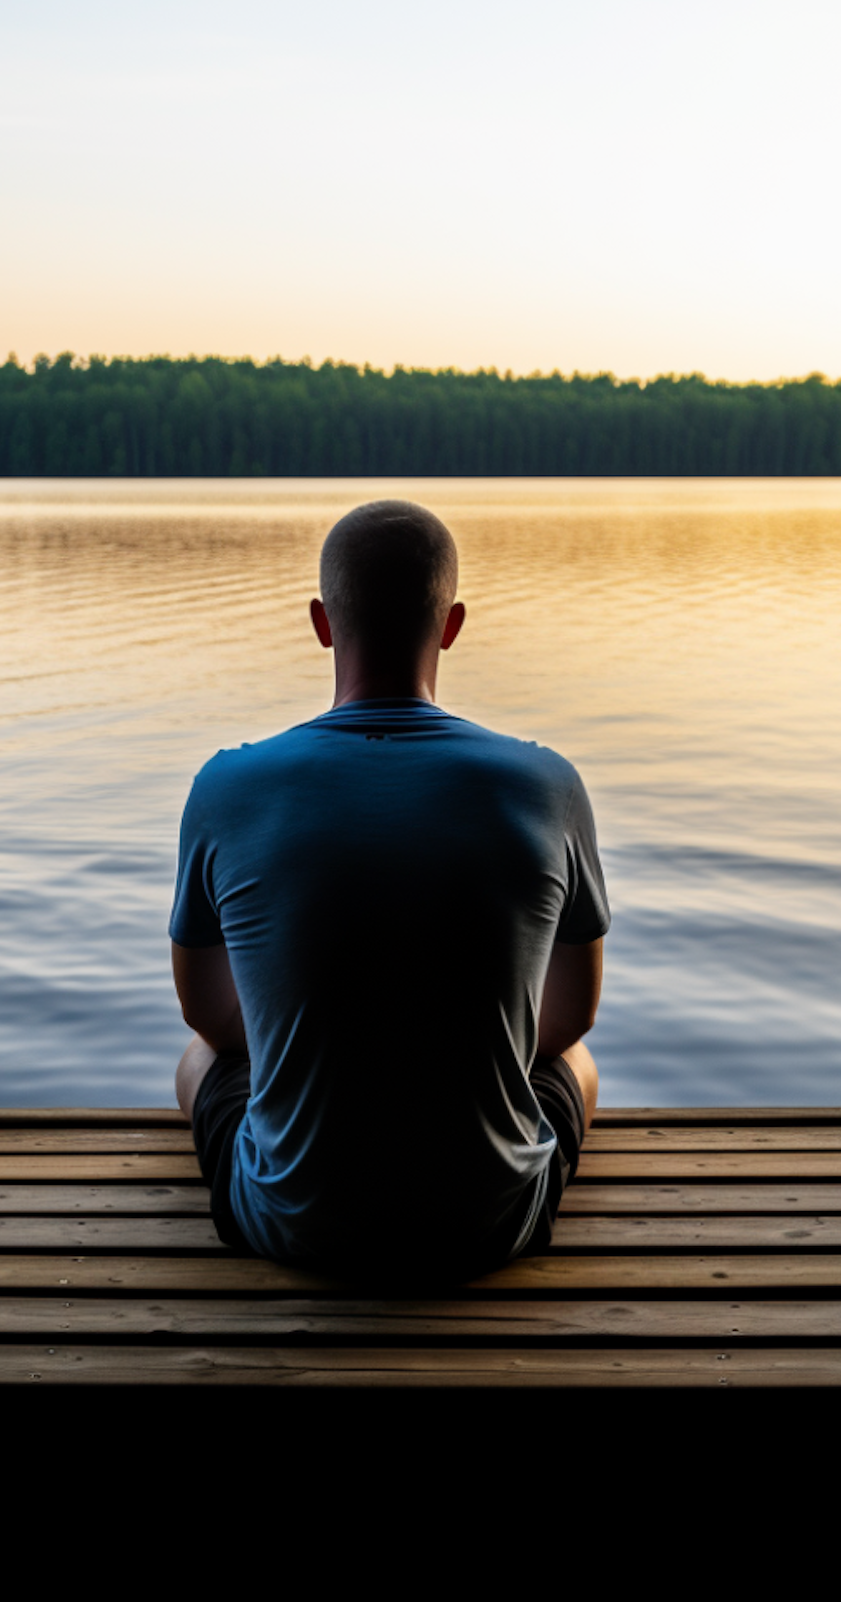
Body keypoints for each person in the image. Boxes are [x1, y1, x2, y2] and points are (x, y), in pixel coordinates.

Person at [168, 498, 607, 1283]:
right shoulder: (548, 784)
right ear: (452, 624)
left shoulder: (226, 785)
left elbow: (213, 1018)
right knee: (579, 1060)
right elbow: (569, 1017)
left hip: (293, 1224)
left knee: (197, 1057)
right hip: (489, 1227)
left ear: (322, 622)